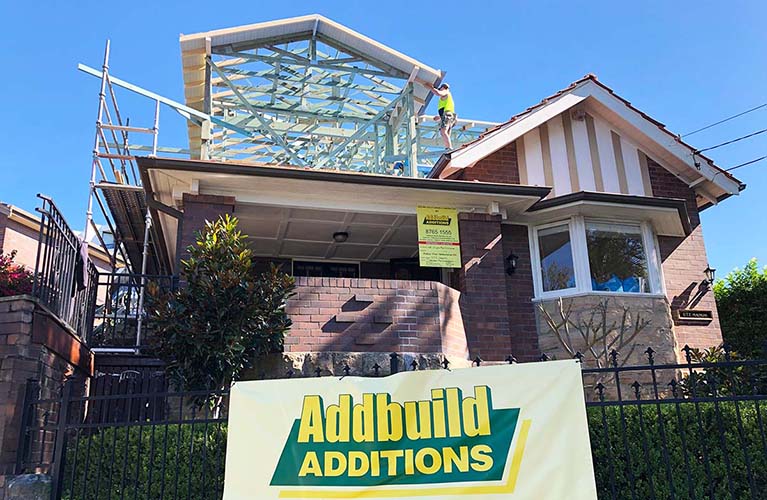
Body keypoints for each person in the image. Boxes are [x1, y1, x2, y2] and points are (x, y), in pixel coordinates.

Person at [429, 83, 456, 149]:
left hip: (447, 115)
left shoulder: (446, 92)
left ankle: (449, 148)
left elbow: (438, 93)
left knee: (443, 131)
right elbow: (446, 109)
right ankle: (448, 147)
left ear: (443, 88)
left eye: (440, 88)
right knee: (446, 133)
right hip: (450, 116)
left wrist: (430, 87)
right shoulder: (447, 98)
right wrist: (439, 116)